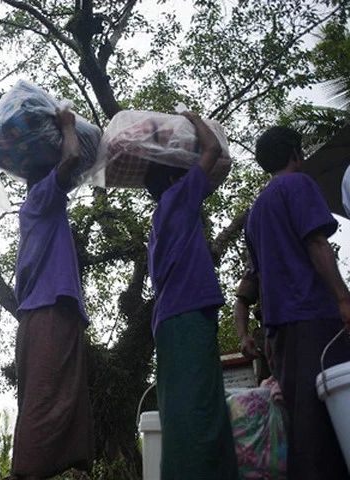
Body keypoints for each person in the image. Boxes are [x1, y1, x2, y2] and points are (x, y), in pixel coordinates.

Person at [244, 125, 350, 479]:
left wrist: (267, 333)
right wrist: (344, 299)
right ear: (295, 152)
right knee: (332, 413)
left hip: (281, 330)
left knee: (303, 424)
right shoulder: (299, 185)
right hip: (315, 318)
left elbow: (258, 280)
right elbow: (317, 244)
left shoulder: (256, 211)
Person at [144, 111, 237, 479]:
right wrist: (193, 118)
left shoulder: (161, 218)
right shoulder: (179, 197)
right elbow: (212, 149)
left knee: (182, 408)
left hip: (170, 321)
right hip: (186, 317)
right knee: (199, 407)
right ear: (173, 178)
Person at [11, 108, 94, 480]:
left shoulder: (39, 208)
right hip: (48, 310)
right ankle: (25, 472)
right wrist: (67, 126)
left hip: (46, 310)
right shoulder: (43, 197)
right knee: (46, 397)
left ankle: (37, 470)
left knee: (51, 394)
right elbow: (74, 158)